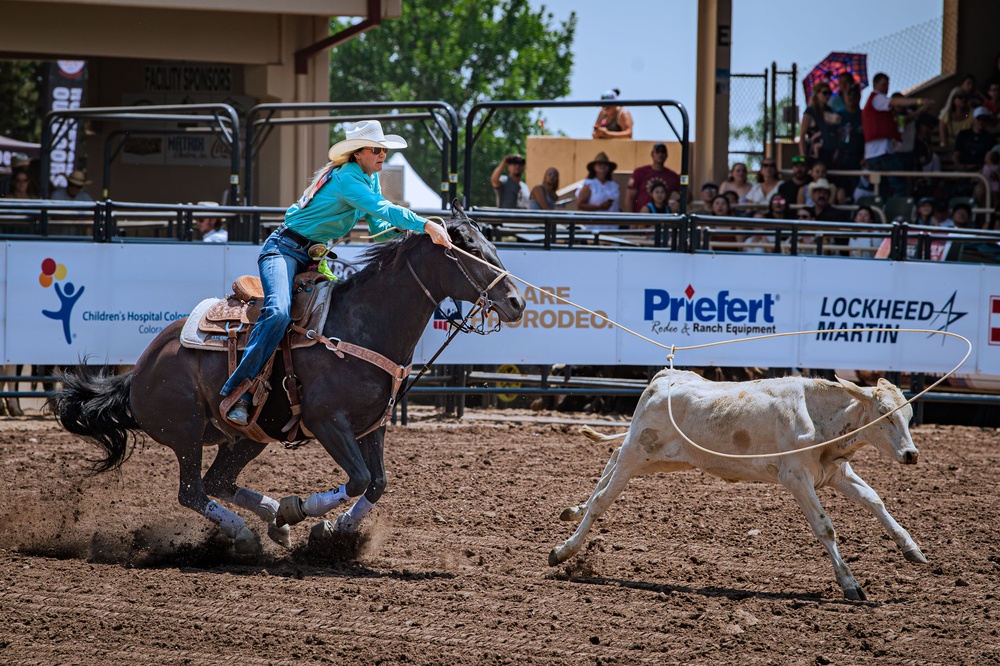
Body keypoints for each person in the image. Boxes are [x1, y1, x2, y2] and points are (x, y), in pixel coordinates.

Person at [220, 120, 453, 425]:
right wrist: (425, 225)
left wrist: (410, 234)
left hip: (313, 258)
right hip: (283, 250)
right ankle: (239, 390)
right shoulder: (348, 180)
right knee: (277, 313)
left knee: (341, 315)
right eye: (376, 150)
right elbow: (383, 209)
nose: (382, 155)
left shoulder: (367, 180)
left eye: (384, 150)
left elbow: (380, 229)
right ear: (358, 154)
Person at [862, 72, 928, 198]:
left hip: (876, 154)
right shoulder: (877, 98)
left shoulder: (883, 110)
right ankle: (898, 212)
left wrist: (920, 111)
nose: (886, 87)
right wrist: (920, 101)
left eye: (887, 84)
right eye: (883, 84)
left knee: (884, 189)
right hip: (882, 153)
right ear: (875, 84)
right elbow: (896, 102)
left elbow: (903, 121)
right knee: (901, 186)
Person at [624, 143, 680, 212]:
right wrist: (631, 219)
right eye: (657, 152)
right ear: (652, 154)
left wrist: (677, 203)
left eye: (663, 152)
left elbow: (688, 196)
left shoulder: (672, 176)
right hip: (641, 219)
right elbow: (630, 197)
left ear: (666, 155)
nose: (660, 154)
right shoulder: (639, 172)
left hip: (662, 219)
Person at [799, 83, 841, 166]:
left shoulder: (830, 111)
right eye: (825, 93)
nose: (827, 96)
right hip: (815, 154)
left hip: (830, 153)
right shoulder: (810, 111)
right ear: (817, 94)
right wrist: (803, 154)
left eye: (830, 93)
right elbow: (802, 134)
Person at [953, 107, 997, 172]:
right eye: (979, 119)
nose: (981, 122)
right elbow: (956, 153)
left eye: (984, 119)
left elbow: (990, 159)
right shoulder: (963, 134)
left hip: (980, 171)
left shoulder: (990, 138)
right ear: (974, 119)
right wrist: (958, 165)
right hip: (963, 169)